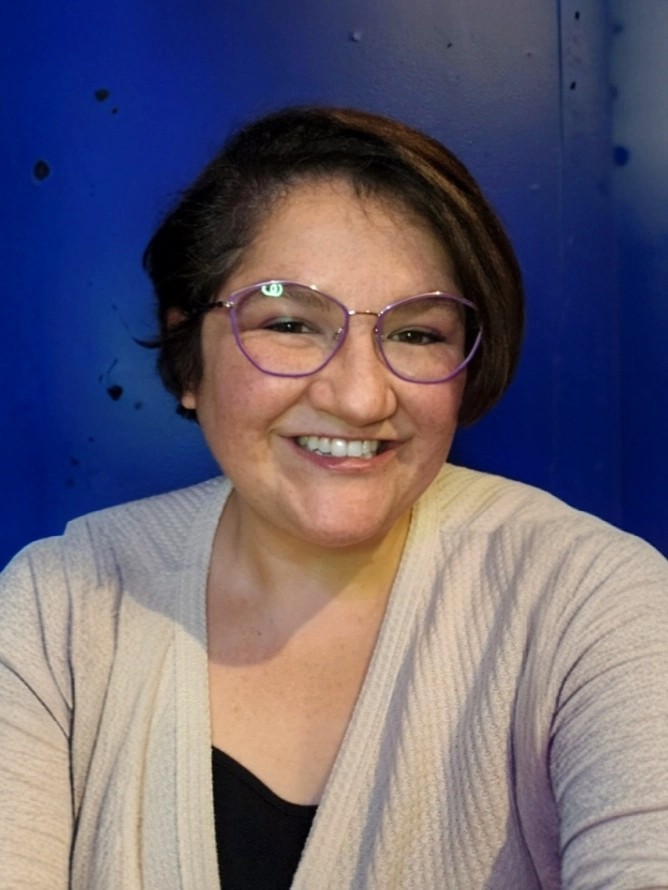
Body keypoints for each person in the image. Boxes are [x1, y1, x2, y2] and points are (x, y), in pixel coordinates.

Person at [1, 106, 667, 890]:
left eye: (418, 333)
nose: (358, 397)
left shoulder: (594, 600)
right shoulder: (64, 606)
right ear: (189, 358)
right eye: (289, 322)